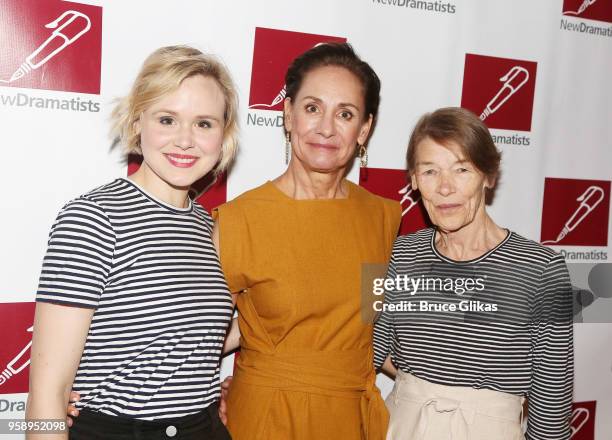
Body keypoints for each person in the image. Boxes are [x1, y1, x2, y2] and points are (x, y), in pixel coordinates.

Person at [26, 45, 237, 440]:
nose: (185, 140)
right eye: (167, 119)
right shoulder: (92, 218)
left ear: (223, 134)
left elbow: (190, 338)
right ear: (139, 121)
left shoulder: (208, 226)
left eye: (204, 123)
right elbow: (46, 393)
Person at [213, 43, 401, 439]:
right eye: (312, 108)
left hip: (352, 419)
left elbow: (373, 326)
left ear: (364, 129)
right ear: (287, 114)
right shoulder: (239, 220)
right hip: (266, 417)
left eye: (345, 114)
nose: (326, 128)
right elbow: (204, 334)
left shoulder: (383, 217)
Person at [373, 107, 574, 439]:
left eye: (462, 169)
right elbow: (364, 353)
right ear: (413, 180)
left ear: (489, 177)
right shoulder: (397, 254)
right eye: (430, 171)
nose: (445, 188)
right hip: (401, 427)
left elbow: (551, 404)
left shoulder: (543, 269)